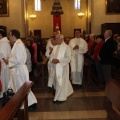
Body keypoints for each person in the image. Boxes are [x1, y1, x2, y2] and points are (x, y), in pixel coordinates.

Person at [7, 29, 37, 110]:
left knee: (23, 89)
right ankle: (27, 104)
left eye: (9, 35)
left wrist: (8, 60)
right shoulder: (16, 44)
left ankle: (32, 104)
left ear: (13, 36)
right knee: (21, 89)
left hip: (20, 71)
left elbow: (18, 59)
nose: (9, 37)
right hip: (17, 70)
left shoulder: (19, 45)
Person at [49, 34, 73, 102]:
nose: (56, 40)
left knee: (62, 81)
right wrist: (52, 60)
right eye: (55, 38)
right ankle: (59, 93)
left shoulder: (66, 47)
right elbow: (52, 56)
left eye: (57, 38)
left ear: (62, 39)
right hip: (55, 67)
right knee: (57, 81)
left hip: (63, 67)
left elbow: (68, 58)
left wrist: (59, 60)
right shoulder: (55, 47)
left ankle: (61, 97)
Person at [0, 29, 11, 98]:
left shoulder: (2, 43)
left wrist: (5, 60)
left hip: (3, 63)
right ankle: (6, 92)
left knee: (3, 79)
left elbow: (3, 54)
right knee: (6, 78)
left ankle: (3, 93)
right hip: (6, 64)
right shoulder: (6, 42)